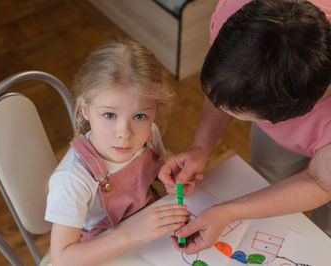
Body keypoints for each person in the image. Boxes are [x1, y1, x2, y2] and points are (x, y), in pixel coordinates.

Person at [159, 0, 331, 254]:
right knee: (265, 176)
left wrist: (229, 211)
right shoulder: (240, 16)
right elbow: (225, 91)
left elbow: (321, 181)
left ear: (288, 115)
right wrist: (201, 147)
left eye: (242, 115)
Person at [44, 39, 190, 265]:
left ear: (153, 112)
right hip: (99, 251)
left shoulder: (149, 134)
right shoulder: (71, 179)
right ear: (85, 109)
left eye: (139, 116)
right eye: (109, 115)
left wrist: (168, 176)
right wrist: (131, 234)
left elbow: (149, 175)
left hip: (147, 236)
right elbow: (62, 258)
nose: (125, 133)